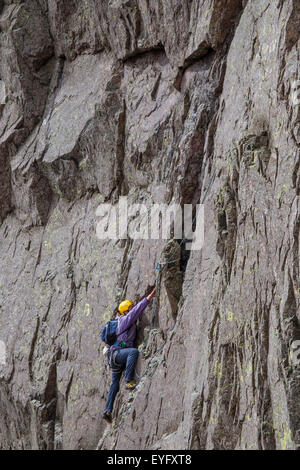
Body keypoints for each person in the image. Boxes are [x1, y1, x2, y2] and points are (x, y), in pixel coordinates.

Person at [102, 287, 156, 422]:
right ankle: (128, 380)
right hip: (118, 354)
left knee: (114, 384)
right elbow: (137, 310)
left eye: (131, 307)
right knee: (133, 352)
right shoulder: (124, 320)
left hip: (113, 356)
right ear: (125, 311)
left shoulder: (119, 322)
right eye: (129, 308)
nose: (131, 309)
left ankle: (108, 411)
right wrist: (149, 297)